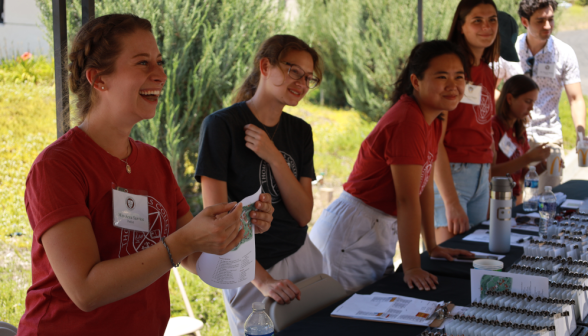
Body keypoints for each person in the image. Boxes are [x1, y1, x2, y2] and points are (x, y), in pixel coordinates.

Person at [17, 14, 274, 336]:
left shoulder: (154, 161)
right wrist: (181, 242)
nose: (161, 75)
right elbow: (86, 291)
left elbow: (195, 256)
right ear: (99, 79)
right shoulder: (58, 167)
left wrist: (238, 229)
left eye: (160, 62)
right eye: (142, 63)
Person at [309, 40, 474, 294]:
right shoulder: (408, 121)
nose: (453, 85)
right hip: (354, 231)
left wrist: (432, 247)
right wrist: (411, 267)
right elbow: (407, 200)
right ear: (416, 82)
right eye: (442, 76)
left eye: (459, 76)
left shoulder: (433, 120)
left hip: (377, 229)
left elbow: (424, 187)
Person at [195, 34, 324, 336]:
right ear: (265, 66)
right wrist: (263, 280)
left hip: (301, 256)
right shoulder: (221, 126)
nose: (302, 84)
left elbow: (303, 214)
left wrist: (274, 157)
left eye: (308, 78)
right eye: (294, 71)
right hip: (248, 268)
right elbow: (215, 217)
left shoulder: (300, 131)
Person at [494, 0, 586, 190]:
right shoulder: (509, 50)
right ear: (525, 22)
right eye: (540, 21)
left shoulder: (564, 53)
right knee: (515, 195)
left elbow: (576, 98)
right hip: (514, 136)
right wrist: (511, 107)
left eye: (551, 20)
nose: (547, 26)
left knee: (547, 199)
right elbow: (490, 90)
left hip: (549, 137)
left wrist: (580, 134)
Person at [434, 0, 500, 244]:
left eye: (492, 19)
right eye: (477, 21)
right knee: (447, 263)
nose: (487, 27)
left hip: (481, 175)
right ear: (461, 26)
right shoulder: (450, 71)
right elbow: (434, 140)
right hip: (451, 172)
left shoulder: (489, 72)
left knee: (474, 258)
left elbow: (483, 124)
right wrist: (450, 200)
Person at [491, 75, 551, 204]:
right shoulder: (494, 127)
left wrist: (543, 165)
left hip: (513, 198)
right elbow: (490, 172)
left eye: (533, 102)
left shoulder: (519, 130)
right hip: (496, 200)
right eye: (528, 101)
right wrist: (529, 158)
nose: (531, 108)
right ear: (510, 99)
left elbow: (523, 175)